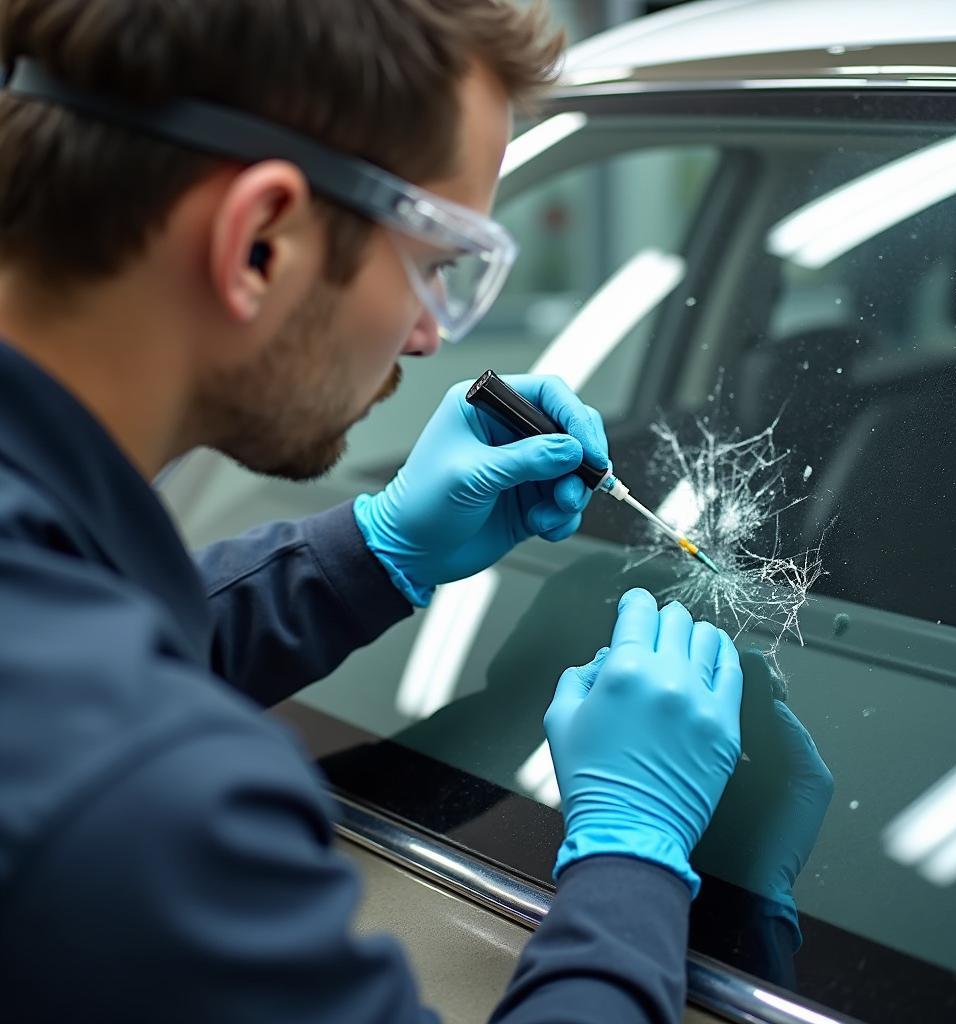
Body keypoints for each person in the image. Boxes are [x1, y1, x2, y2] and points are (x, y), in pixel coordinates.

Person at [0, 2, 743, 1021]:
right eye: (435, 267)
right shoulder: (141, 803)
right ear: (260, 240)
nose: (429, 338)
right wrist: (631, 856)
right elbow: (95, 736)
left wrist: (377, 546)